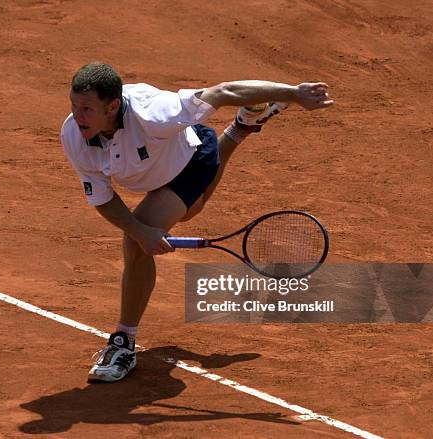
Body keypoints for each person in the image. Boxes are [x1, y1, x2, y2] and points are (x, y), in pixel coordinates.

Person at [60, 62, 334, 383]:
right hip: (155, 172)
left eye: (86, 109)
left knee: (138, 241)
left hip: (191, 160)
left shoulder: (156, 113)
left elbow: (223, 91)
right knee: (185, 212)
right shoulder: (74, 135)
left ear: (113, 106)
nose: (77, 116)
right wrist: (143, 232)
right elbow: (102, 197)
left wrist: (293, 93)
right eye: (74, 106)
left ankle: (123, 342)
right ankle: (242, 127)